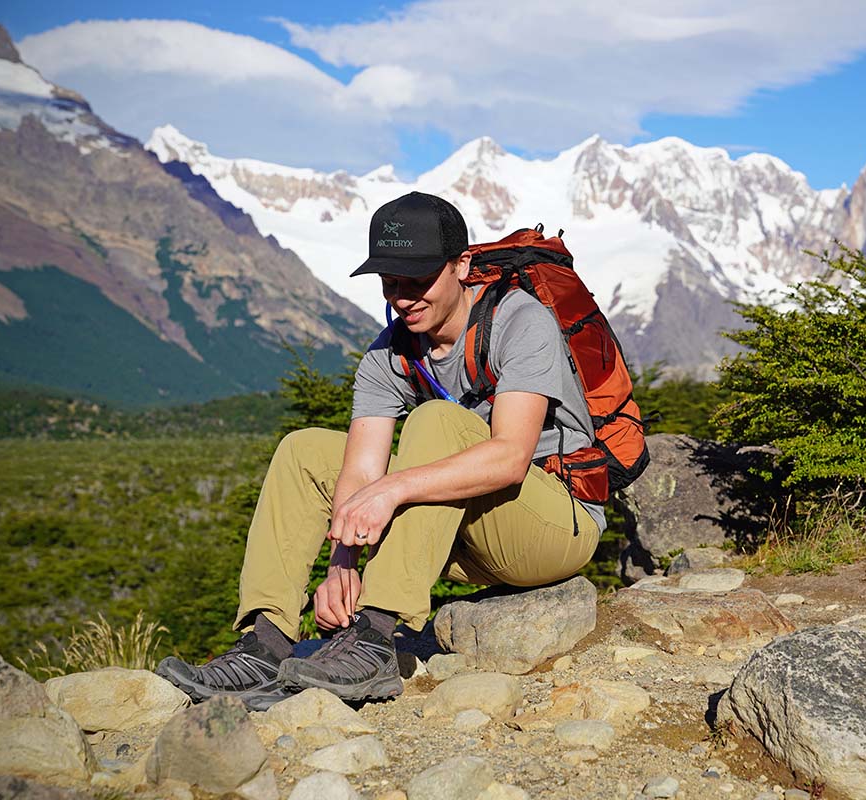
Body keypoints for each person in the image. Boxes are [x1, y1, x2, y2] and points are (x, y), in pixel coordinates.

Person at [157, 191, 603, 705]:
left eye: (417, 281)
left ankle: (374, 637)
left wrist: (390, 491)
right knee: (305, 452)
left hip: (555, 524)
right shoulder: (387, 355)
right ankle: (266, 642)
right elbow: (360, 469)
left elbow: (507, 458)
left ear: (461, 266)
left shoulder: (520, 321)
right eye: (391, 283)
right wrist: (343, 560)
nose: (403, 298)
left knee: (436, 421)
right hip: (460, 533)